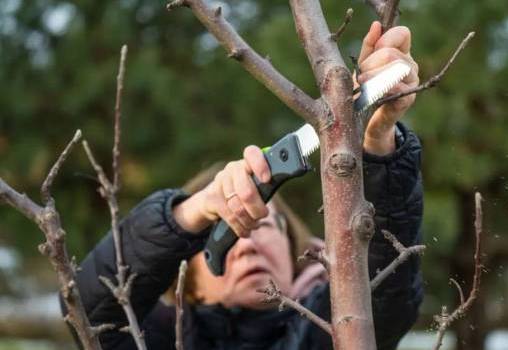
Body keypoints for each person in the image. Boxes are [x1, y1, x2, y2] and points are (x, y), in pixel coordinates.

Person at [71, 21, 423, 349]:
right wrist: (191, 211)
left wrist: (379, 141)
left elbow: (387, 295)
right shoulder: (152, 338)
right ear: (189, 282)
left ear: (293, 252)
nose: (246, 248)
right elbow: (89, 310)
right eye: (223, 231)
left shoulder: (327, 331)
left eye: (262, 225)